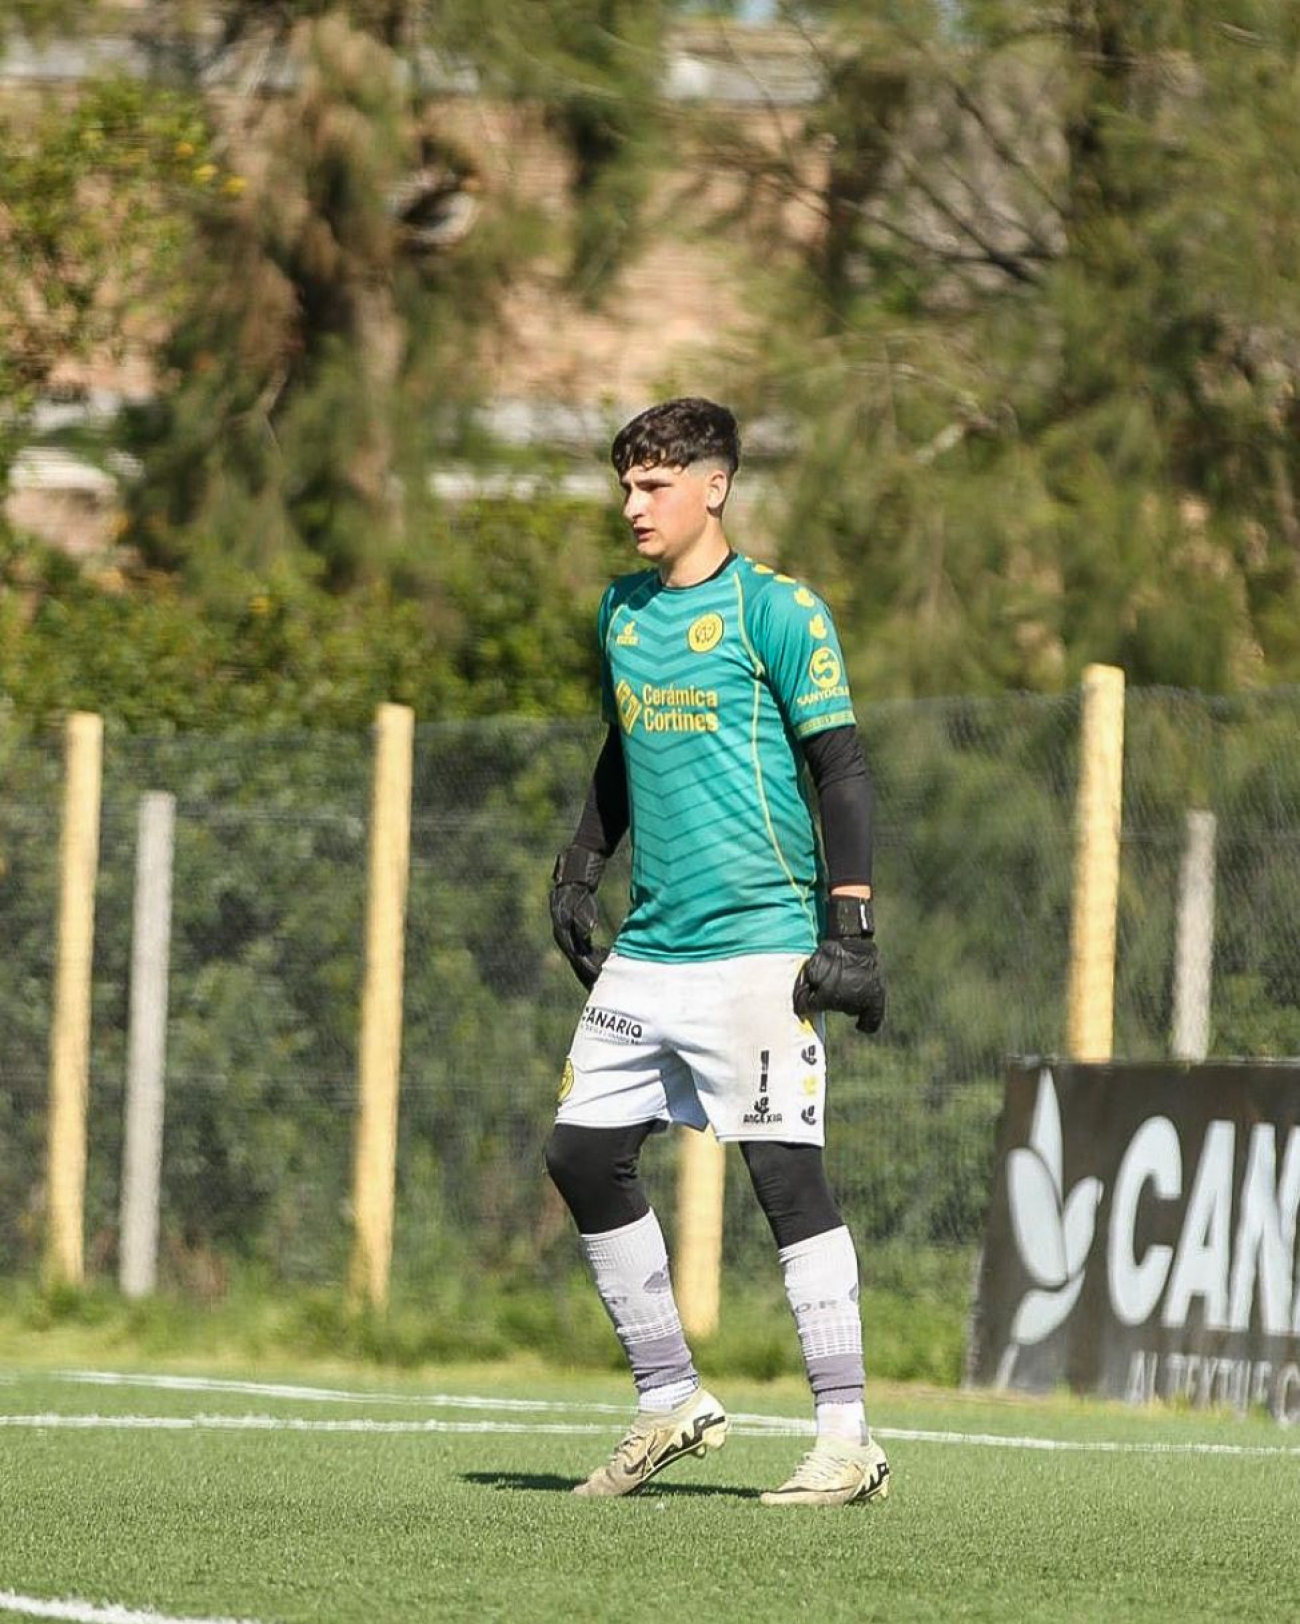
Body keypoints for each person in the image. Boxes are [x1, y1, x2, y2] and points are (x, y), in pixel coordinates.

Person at [546, 397, 889, 1507]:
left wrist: (850, 926)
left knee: (784, 1177)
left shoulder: (777, 611)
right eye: (626, 485)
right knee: (579, 1154)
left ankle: (847, 1440)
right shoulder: (621, 611)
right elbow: (624, 742)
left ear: (715, 485)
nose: (633, 505)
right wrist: (582, 862)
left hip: (758, 943)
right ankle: (671, 1399)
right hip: (652, 947)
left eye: (654, 484)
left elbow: (840, 768)